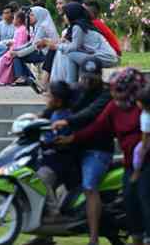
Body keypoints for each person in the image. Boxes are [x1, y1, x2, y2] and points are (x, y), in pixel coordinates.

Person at [58, 68, 150, 245]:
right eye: (113, 90)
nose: (114, 94)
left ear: (131, 89)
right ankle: (137, 238)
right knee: (130, 200)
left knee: (147, 197)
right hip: (131, 162)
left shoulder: (146, 100)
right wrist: (73, 138)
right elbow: (97, 127)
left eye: (118, 90)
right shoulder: (114, 106)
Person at [51, 58, 114, 245]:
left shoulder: (106, 94)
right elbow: (59, 101)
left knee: (89, 187)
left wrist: (68, 122)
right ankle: (46, 234)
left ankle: (93, 238)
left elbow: (91, 114)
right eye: (85, 77)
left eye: (92, 78)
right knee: (49, 178)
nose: (88, 82)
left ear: (100, 76)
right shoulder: (77, 90)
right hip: (74, 148)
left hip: (97, 150)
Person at [36, 81, 79, 224]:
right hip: (51, 159)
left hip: (62, 162)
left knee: (41, 179)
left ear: (58, 101)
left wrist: (48, 141)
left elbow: (57, 140)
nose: (46, 98)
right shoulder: (53, 113)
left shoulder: (65, 117)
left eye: (49, 96)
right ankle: (44, 236)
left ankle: (55, 214)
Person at [51, 2, 118, 84]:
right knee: (70, 53)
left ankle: (71, 85)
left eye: (65, 14)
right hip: (106, 57)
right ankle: (72, 84)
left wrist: (56, 46)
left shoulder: (78, 27)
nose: (64, 17)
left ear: (72, 14)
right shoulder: (82, 25)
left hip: (106, 58)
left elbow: (73, 47)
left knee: (69, 53)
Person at [12, 6, 59, 88]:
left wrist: (18, 53)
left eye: (32, 15)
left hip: (46, 54)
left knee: (17, 57)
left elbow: (34, 46)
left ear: (39, 15)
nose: (29, 17)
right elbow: (31, 42)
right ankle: (27, 77)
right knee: (16, 55)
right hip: (41, 52)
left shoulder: (42, 27)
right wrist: (16, 49)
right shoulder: (38, 25)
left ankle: (22, 77)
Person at [0, 10, 28, 85]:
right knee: (2, 59)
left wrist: (13, 48)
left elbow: (21, 43)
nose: (13, 20)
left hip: (15, 50)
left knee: (3, 59)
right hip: (13, 49)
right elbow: (16, 41)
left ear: (18, 20)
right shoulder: (19, 29)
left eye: (14, 18)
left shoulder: (22, 30)